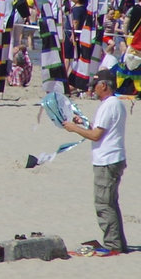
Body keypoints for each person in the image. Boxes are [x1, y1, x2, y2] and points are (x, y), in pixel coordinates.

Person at [64, 68, 127, 255]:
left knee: (103, 204)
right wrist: (82, 124)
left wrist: (74, 129)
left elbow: (96, 135)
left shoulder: (110, 105)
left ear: (104, 86)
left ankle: (113, 245)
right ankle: (117, 243)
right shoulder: (113, 104)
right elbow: (98, 129)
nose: (93, 89)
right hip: (112, 158)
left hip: (107, 161)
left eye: (96, 86)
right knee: (110, 203)